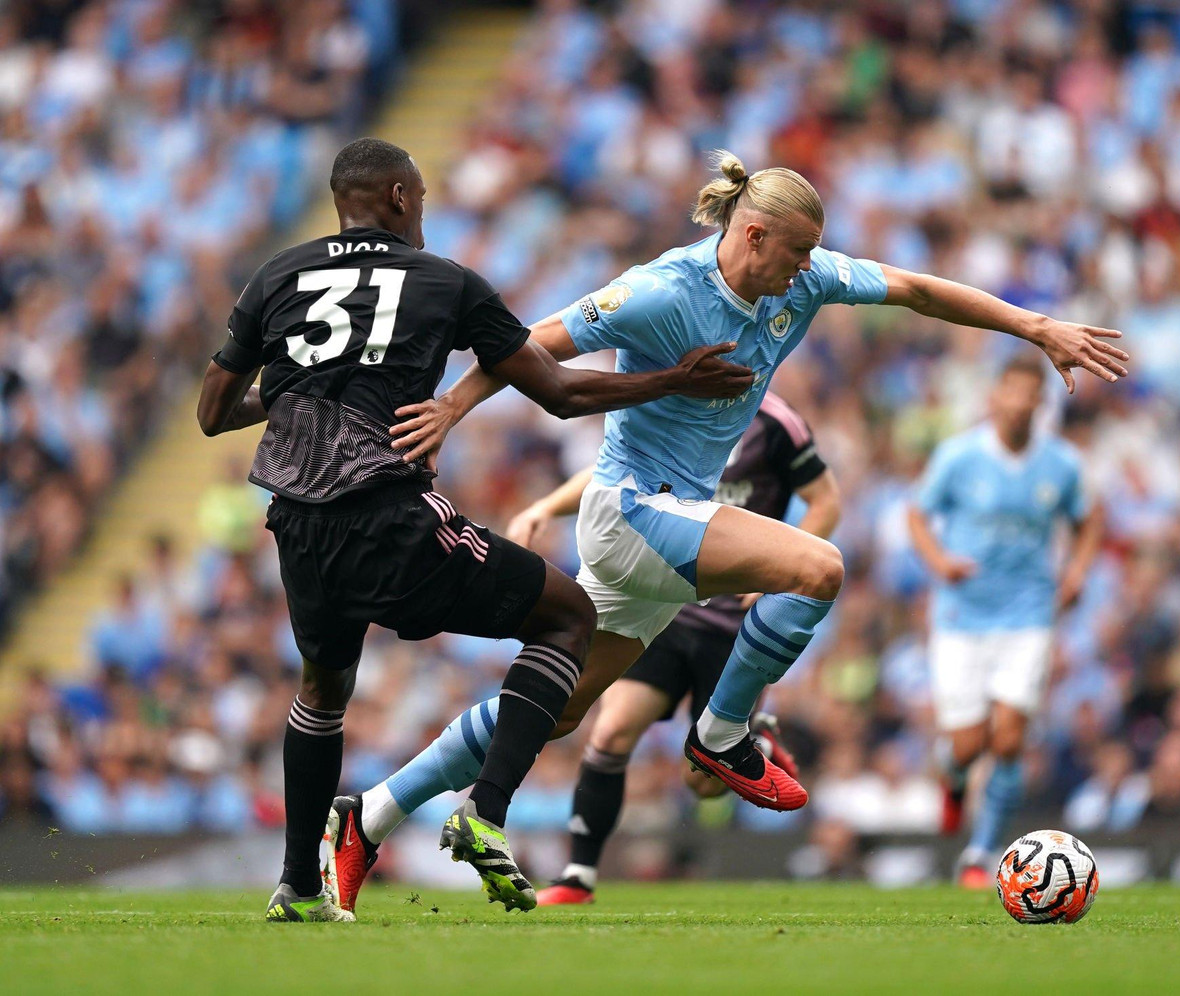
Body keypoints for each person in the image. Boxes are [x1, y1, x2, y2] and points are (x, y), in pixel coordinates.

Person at [335, 150, 1126, 899]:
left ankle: (370, 814)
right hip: (631, 510)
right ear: (753, 235)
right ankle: (721, 733)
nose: (808, 267)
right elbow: (531, 342)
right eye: (798, 251)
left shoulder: (804, 280)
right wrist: (451, 408)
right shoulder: (662, 291)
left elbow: (916, 290)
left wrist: (1036, 327)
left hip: (668, 521)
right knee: (818, 569)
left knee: (558, 709)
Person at [195, 137, 755, 922]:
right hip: (386, 513)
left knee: (322, 689)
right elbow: (559, 393)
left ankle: (297, 886)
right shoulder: (444, 281)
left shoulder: (277, 274)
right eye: (420, 197)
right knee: (568, 617)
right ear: (398, 196)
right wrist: (673, 380)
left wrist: (299, 388)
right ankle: (485, 810)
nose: (423, 211)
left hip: (296, 524)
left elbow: (213, 412)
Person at [509, 394, 838, 904]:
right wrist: (545, 507)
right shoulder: (674, 400)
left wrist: (784, 571)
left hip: (732, 626)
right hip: (666, 609)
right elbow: (613, 475)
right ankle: (578, 876)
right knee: (611, 731)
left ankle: (757, 740)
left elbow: (826, 500)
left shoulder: (777, 421)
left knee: (703, 784)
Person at [906, 356, 1104, 887]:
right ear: (993, 397)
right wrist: (939, 562)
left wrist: (1077, 571)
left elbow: (1089, 519)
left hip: (1029, 613)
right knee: (969, 745)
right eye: (1009, 391)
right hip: (962, 614)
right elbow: (917, 514)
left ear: (1040, 403)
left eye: (1027, 394)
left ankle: (980, 853)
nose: (1017, 403)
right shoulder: (959, 456)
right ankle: (953, 777)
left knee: (1011, 739)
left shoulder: (1062, 464)